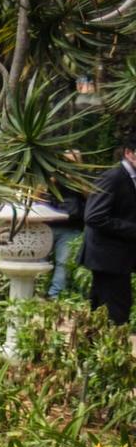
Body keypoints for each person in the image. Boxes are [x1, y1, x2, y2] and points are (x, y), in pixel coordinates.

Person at [82, 132, 136, 325]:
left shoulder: (130, 177)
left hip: (118, 258)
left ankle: (95, 340)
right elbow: (94, 216)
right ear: (129, 153)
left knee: (105, 310)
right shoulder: (113, 177)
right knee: (115, 312)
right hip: (107, 257)